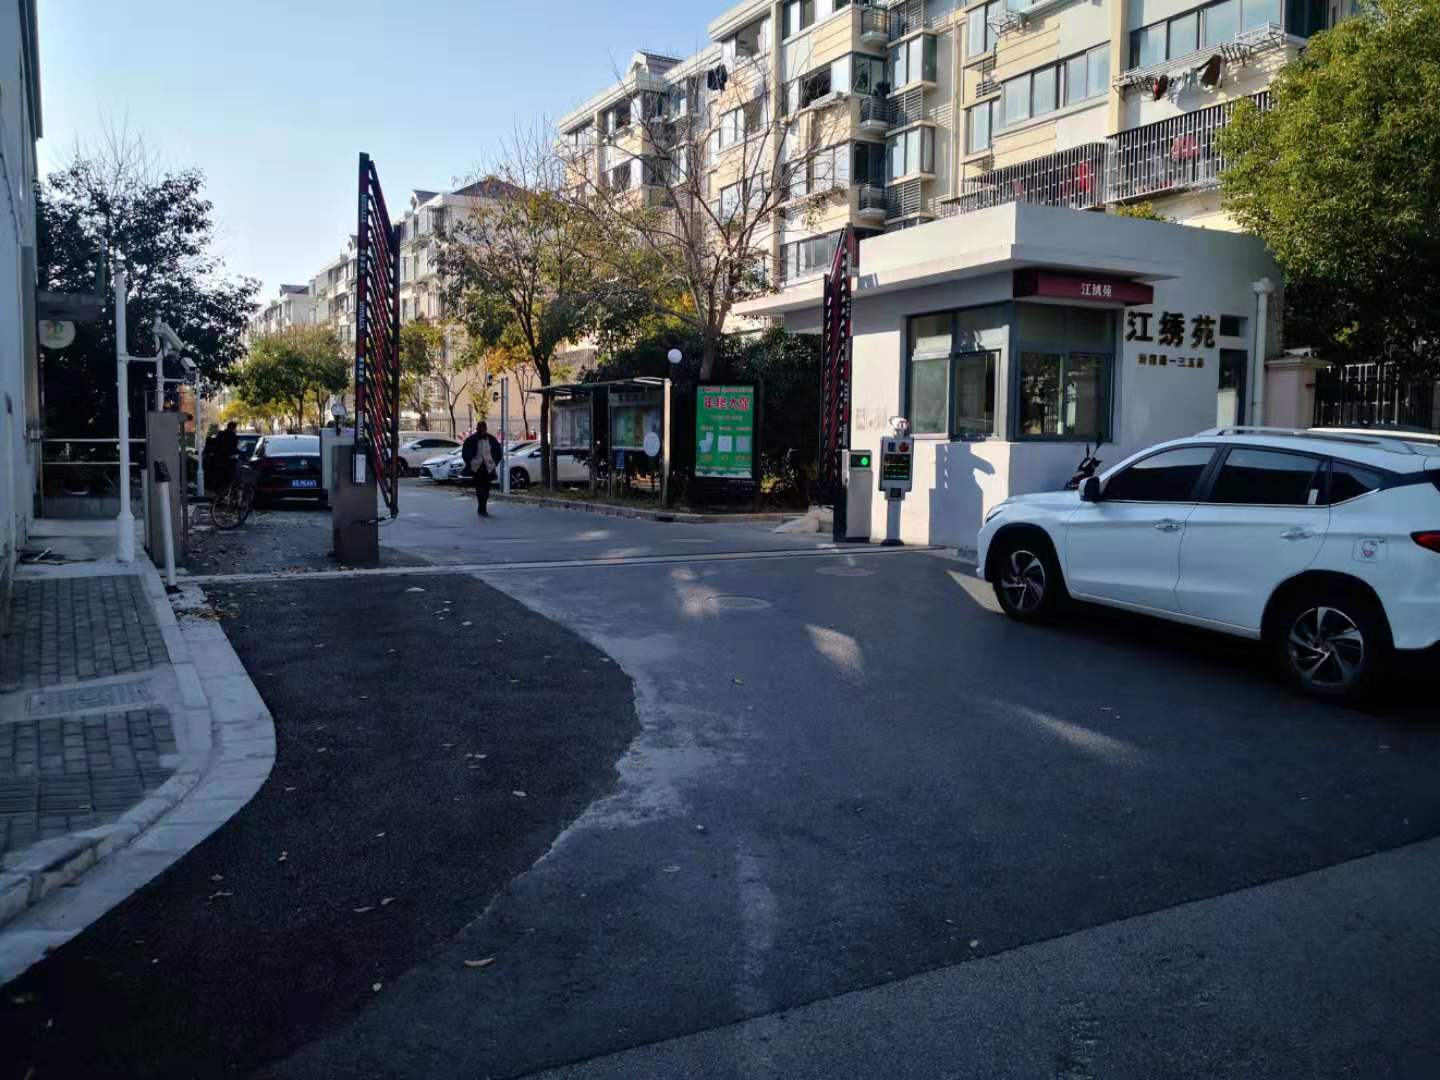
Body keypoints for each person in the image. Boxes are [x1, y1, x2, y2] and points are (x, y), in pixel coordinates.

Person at [461, 422, 503, 517]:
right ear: (477, 429)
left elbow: (498, 452)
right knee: (479, 488)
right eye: (480, 429)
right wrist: (471, 463)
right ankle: (481, 508)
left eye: (484, 429)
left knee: (487, 488)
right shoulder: (471, 439)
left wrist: (494, 463)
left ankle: (483, 507)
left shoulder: (491, 439)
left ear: (486, 429)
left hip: (488, 467)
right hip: (477, 468)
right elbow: (465, 454)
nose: (483, 431)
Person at [211, 422, 240, 493]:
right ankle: (228, 491)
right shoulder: (232, 436)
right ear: (234, 428)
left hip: (217, 459)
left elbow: (216, 444)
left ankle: (219, 490)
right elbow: (233, 449)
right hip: (227, 460)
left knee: (219, 477)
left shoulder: (220, 434)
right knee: (230, 477)